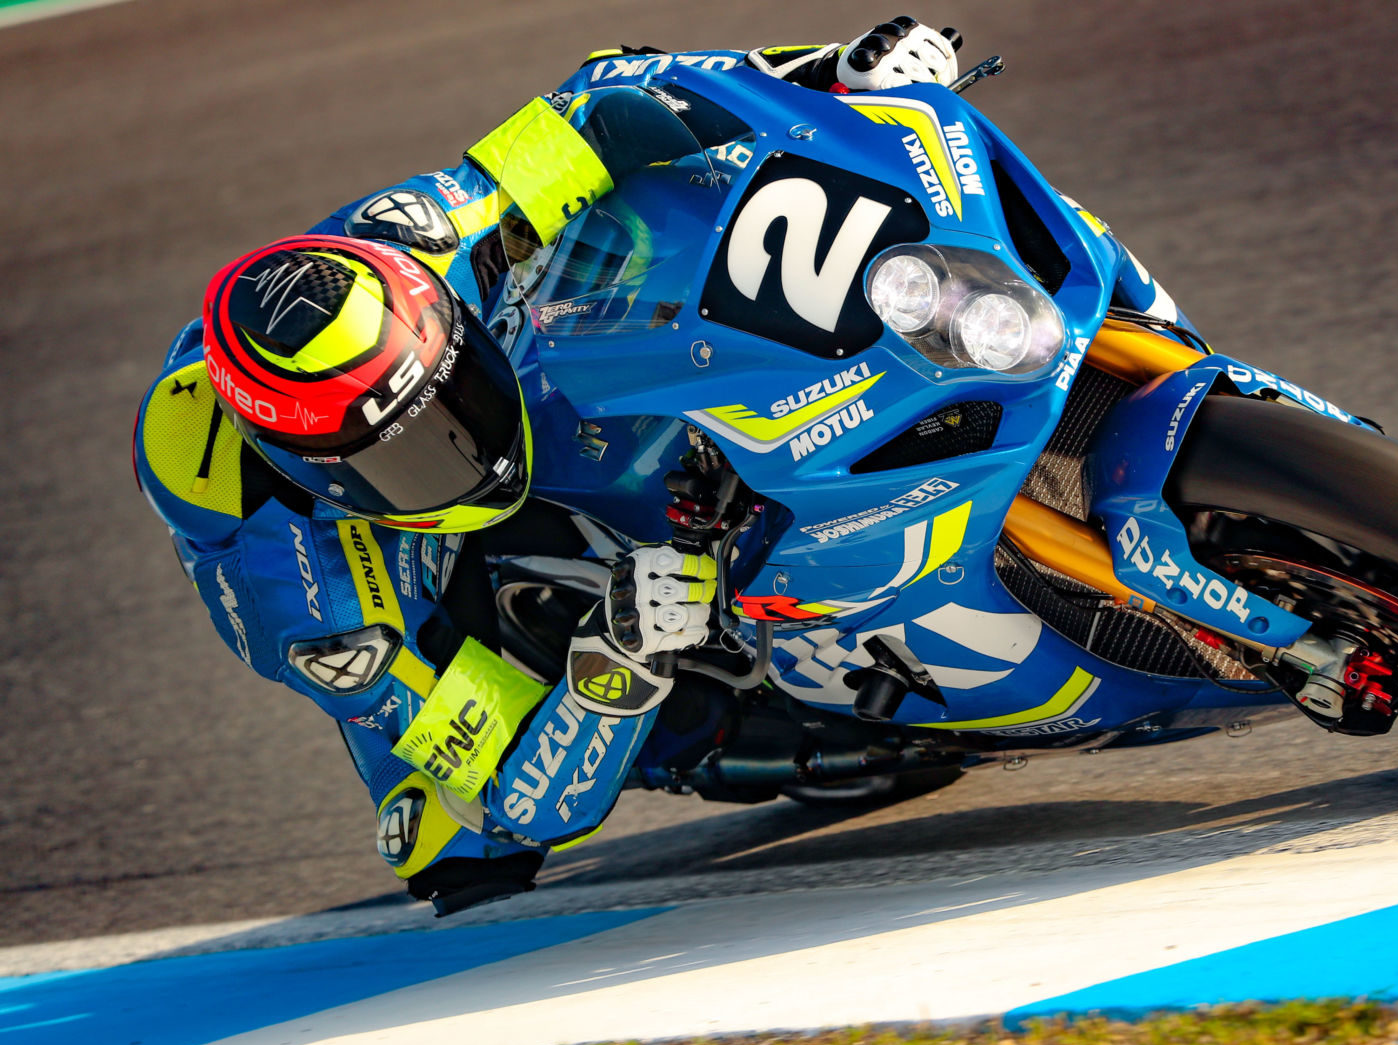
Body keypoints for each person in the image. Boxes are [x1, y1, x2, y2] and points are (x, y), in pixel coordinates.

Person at [131, 18, 972, 917]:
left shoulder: (417, 232)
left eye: (453, 407)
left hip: (518, 362)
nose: (469, 447)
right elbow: (515, 790)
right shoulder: (309, 609)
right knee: (472, 844)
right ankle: (699, 725)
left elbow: (611, 99)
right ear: (322, 472)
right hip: (378, 570)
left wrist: (830, 74)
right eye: (416, 449)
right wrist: (623, 653)